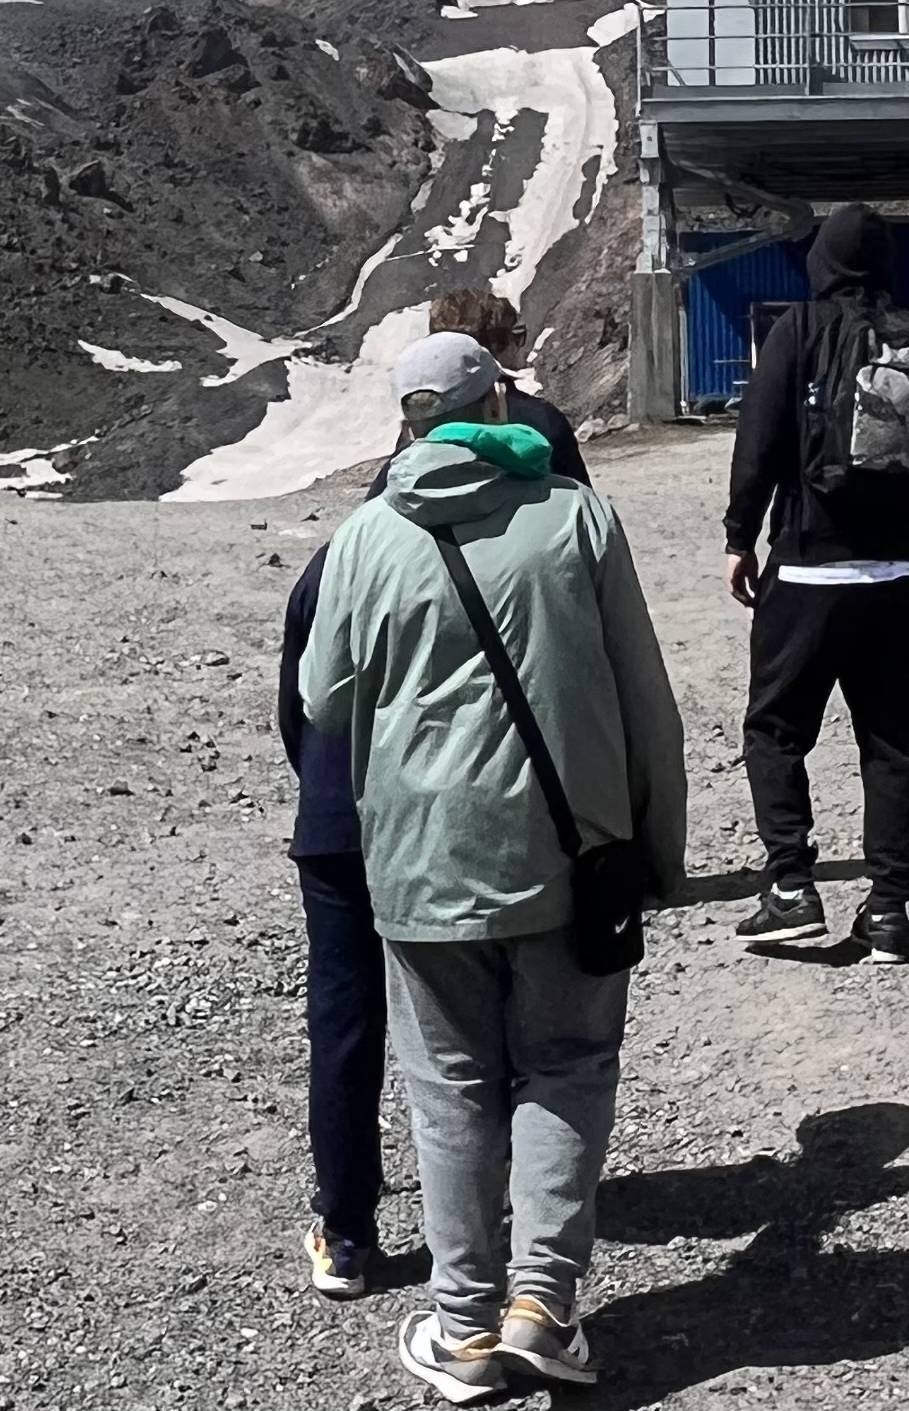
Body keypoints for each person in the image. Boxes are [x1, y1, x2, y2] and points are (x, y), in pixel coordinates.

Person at [303, 332, 688, 1403]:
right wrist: (659, 849)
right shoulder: (573, 516)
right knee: (566, 1064)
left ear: (408, 422)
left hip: (421, 860)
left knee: (450, 1088)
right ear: (498, 399)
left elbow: (326, 701)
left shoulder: (365, 536)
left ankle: (465, 1326)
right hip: (572, 852)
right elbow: (645, 699)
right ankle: (543, 1307)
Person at [274, 306, 596, 1301]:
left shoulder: (351, 546)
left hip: (340, 818)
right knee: (477, 1033)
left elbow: (306, 698)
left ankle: (345, 1228)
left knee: (346, 1021)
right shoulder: (534, 534)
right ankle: (491, 1224)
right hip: (442, 821)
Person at [722, 203, 909, 961]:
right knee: (893, 742)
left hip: (810, 565)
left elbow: (761, 440)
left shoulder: (800, 331)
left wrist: (740, 537)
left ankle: (790, 888)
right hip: (902, 572)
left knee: (776, 728)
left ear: (823, 263)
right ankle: (889, 908)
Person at [427, 286, 592, 486]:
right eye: (517, 336)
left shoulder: (423, 423)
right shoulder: (541, 420)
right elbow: (580, 496)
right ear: (499, 344)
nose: (519, 346)